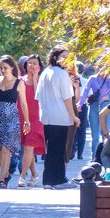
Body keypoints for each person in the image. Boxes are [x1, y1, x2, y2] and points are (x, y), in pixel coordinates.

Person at [34, 45, 79, 189]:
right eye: (63, 56)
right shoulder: (61, 74)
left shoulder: (45, 72)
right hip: (60, 117)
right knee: (58, 150)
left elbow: (38, 96)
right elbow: (67, 98)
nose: (66, 60)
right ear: (55, 57)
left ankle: (48, 180)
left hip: (46, 116)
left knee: (51, 150)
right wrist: (74, 117)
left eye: (68, 57)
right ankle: (58, 180)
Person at [0, 55, 30, 188]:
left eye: (5, 68)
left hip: (12, 117)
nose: (3, 70)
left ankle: (1, 179)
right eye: (0, 68)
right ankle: (6, 174)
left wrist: (27, 121)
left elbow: (23, 103)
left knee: (6, 148)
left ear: (12, 67)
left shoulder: (19, 83)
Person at [17, 54, 44, 187]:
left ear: (39, 66)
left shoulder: (41, 80)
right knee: (27, 147)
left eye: (35, 63)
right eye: (30, 63)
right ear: (25, 65)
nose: (32, 66)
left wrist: (35, 79)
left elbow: (38, 96)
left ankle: (22, 176)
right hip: (22, 117)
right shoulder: (20, 80)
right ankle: (35, 175)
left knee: (28, 147)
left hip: (36, 118)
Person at [78, 65, 110, 161]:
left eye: (105, 67)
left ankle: (105, 158)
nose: (103, 68)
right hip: (94, 106)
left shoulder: (109, 79)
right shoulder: (92, 78)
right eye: (100, 66)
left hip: (106, 107)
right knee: (95, 136)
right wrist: (80, 104)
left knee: (105, 133)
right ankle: (94, 158)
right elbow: (85, 91)